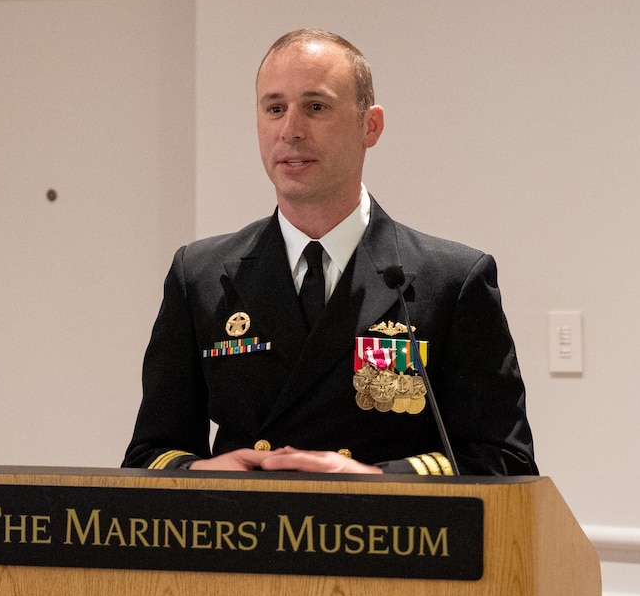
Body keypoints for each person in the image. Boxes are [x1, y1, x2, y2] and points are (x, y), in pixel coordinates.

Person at [121, 29, 536, 477]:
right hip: (246, 537)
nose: (291, 130)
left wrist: (375, 480)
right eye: (274, 108)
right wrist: (202, 472)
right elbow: (150, 456)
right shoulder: (199, 275)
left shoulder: (450, 279)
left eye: (316, 107)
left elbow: (506, 461)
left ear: (369, 125)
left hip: (387, 539)